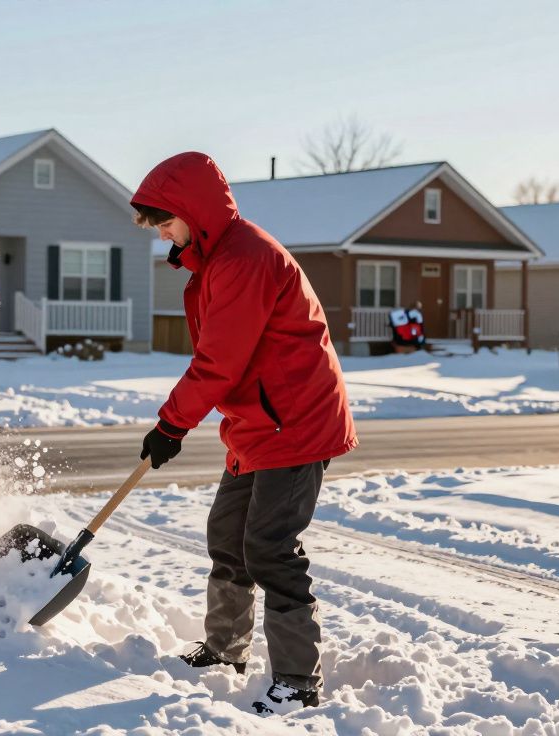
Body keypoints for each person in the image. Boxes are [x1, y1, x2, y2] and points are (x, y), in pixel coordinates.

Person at [131, 152, 357, 714]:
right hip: (259, 421)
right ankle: (226, 650)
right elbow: (231, 365)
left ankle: (298, 681)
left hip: (296, 422)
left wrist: (171, 425)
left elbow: (219, 361)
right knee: (228, 535)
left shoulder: (244, 259)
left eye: (167, 221)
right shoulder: (215, 260)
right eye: (157, 226)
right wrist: (179, 423)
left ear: (195, 211)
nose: (163, 234)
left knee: (269, 547)